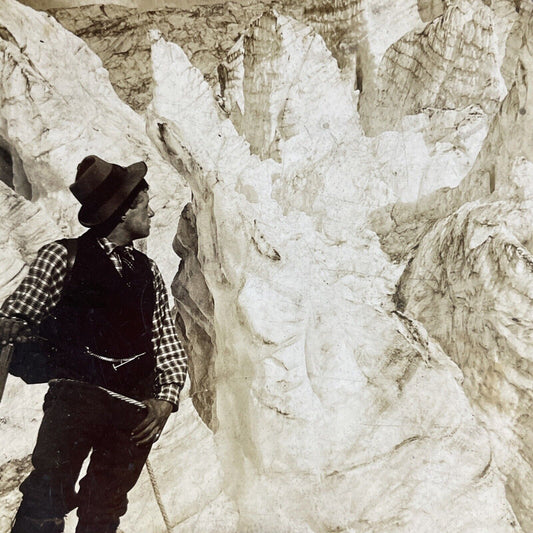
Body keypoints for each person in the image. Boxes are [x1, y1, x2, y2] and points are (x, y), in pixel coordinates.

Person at [0, 155, 188, 533]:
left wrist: (165, 399)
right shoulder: (62, 256)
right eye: (145, 206)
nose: (151, 214)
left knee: (105, 508)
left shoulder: (146, 270)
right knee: (46, 497)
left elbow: (164, 336)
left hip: (133, 411)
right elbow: (13, 321)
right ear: (122, 213)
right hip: (74, 403)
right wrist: (25, 337)